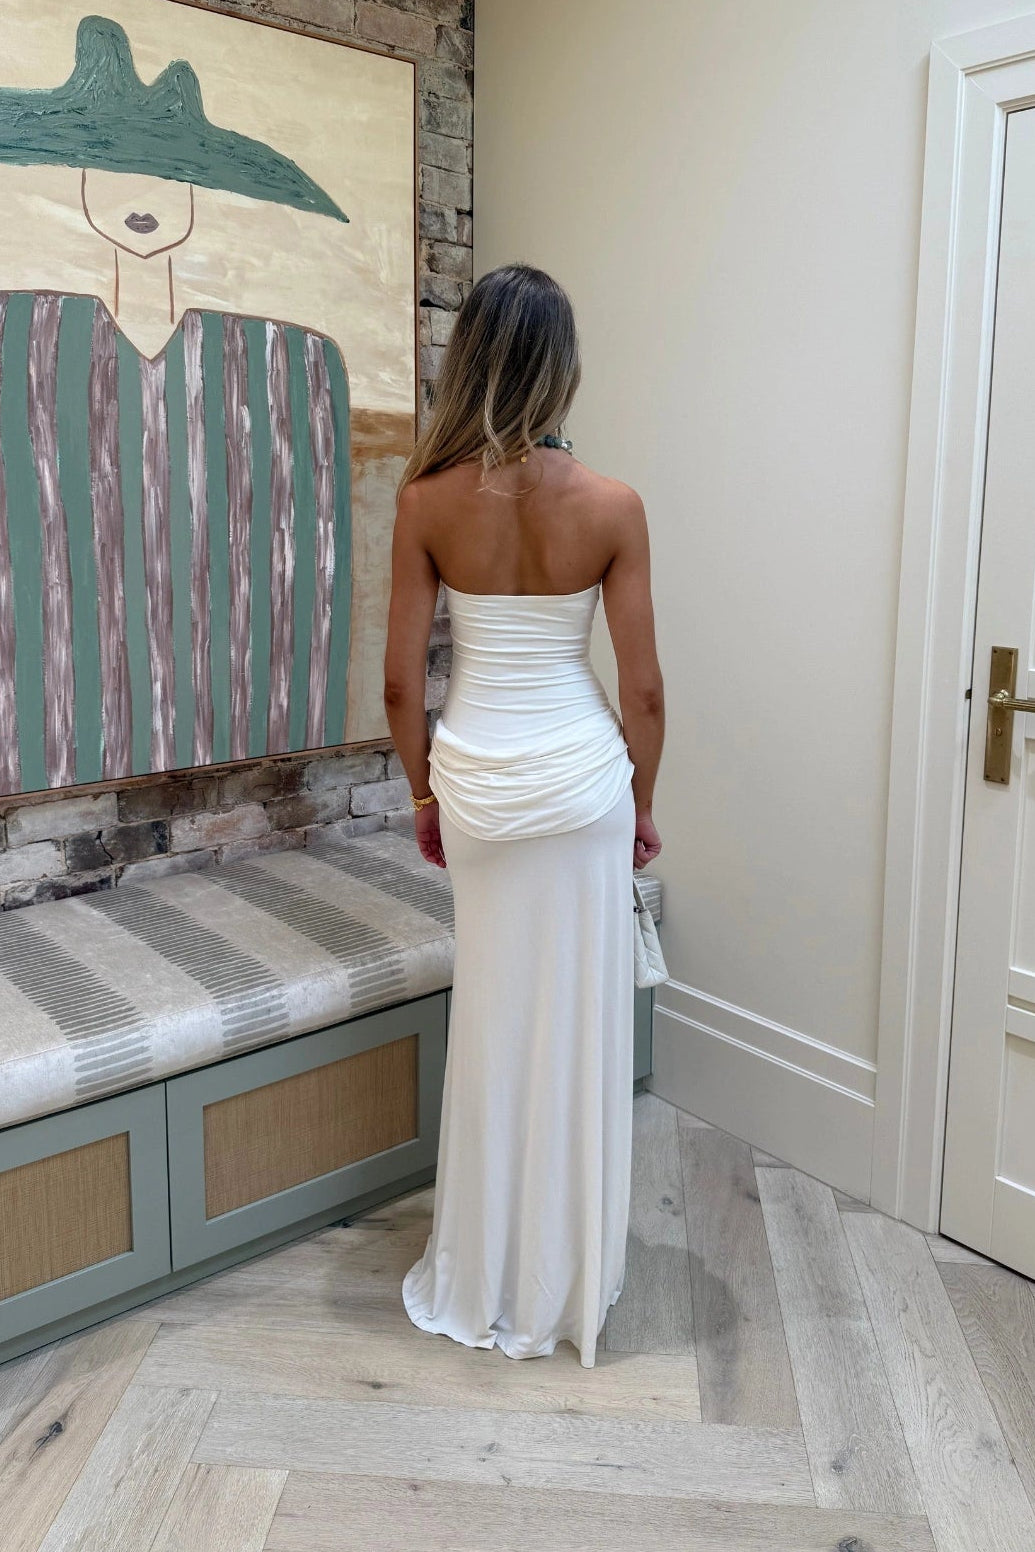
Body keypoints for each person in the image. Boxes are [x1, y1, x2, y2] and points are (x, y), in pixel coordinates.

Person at [382, 262, 665, 1369]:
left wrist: (420, 792)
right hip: (583, 784)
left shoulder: (425, 501)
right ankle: (567, 1283)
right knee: (579, 1023)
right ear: (562, 366)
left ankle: (488, 1270)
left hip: (483, 790)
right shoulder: (614, 506)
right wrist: (641, 807)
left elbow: (404, 685)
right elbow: (643, 691)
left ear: (472, 360)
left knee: (497, 1021)